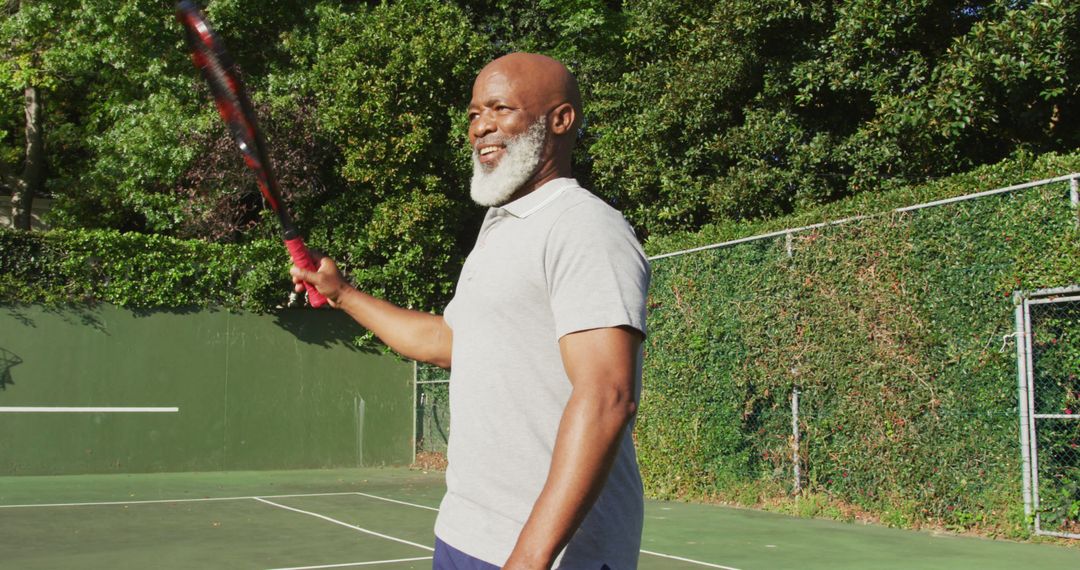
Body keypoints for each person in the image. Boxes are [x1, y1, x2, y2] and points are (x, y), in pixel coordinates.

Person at [291, 52, 649, 570]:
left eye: (500, 108)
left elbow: (608, 396)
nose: (480, 127)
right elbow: (449, 343)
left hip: (552, 554)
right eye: (474, 113)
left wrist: (529, 558)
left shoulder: (584, 227)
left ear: (561, 119)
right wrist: (342, 292)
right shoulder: (501, 229)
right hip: (466, 532)